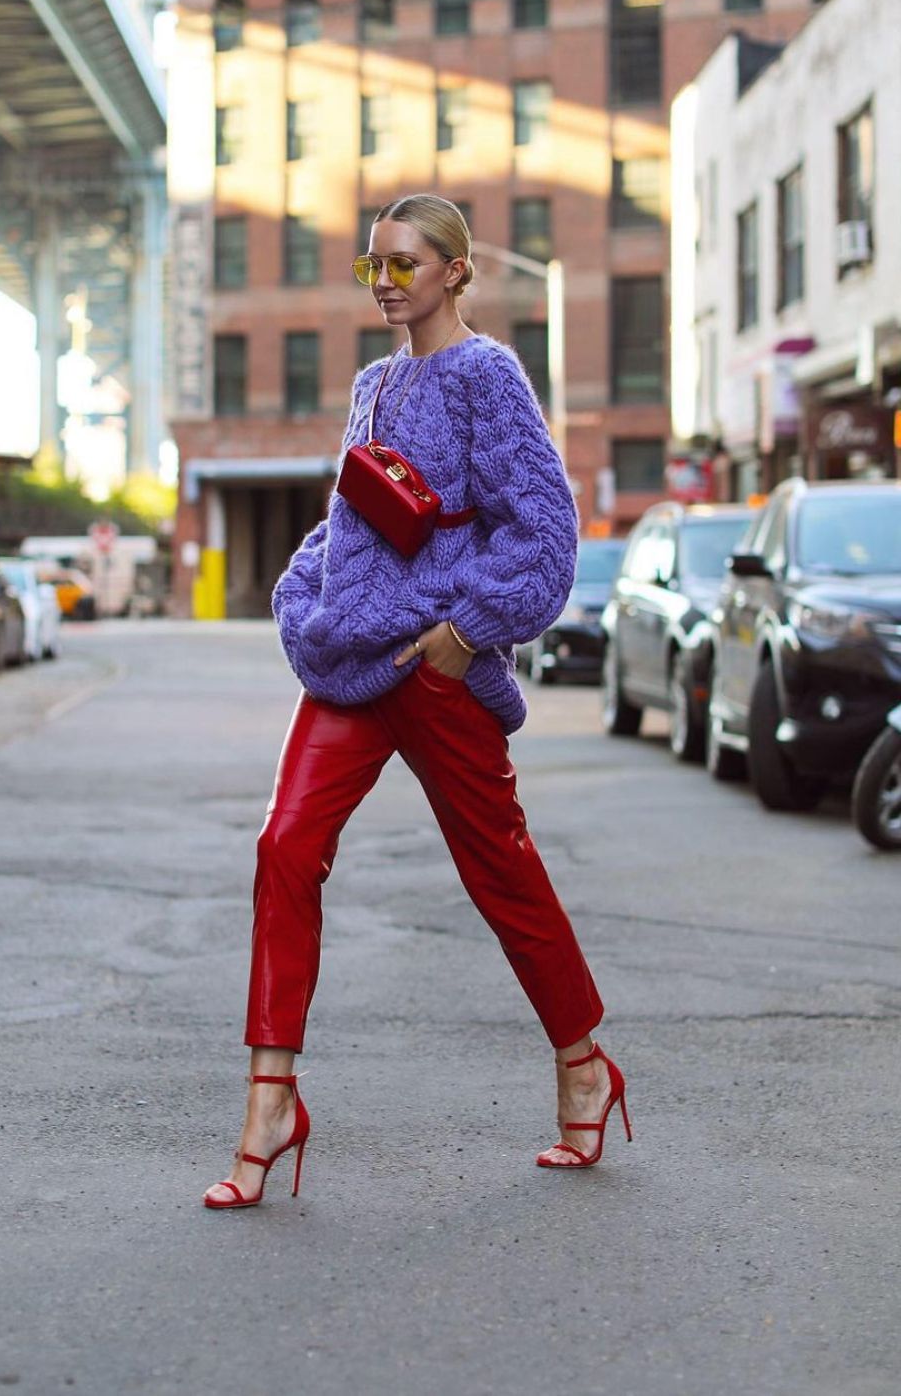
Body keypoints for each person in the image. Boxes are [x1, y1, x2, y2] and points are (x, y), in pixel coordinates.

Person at [204, 195, 631, 1210]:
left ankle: (582, 1064)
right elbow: (349, 523)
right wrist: (304, 600)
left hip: (437, 667)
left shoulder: (488, 375)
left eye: (405, 264)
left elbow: (541, 528)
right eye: (373, 267)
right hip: (350, 663)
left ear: (455, 272)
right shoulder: (369, 385)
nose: (386, 281)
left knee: (500, 873)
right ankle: (270, 1100)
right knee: (284, 847)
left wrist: (464, 635)